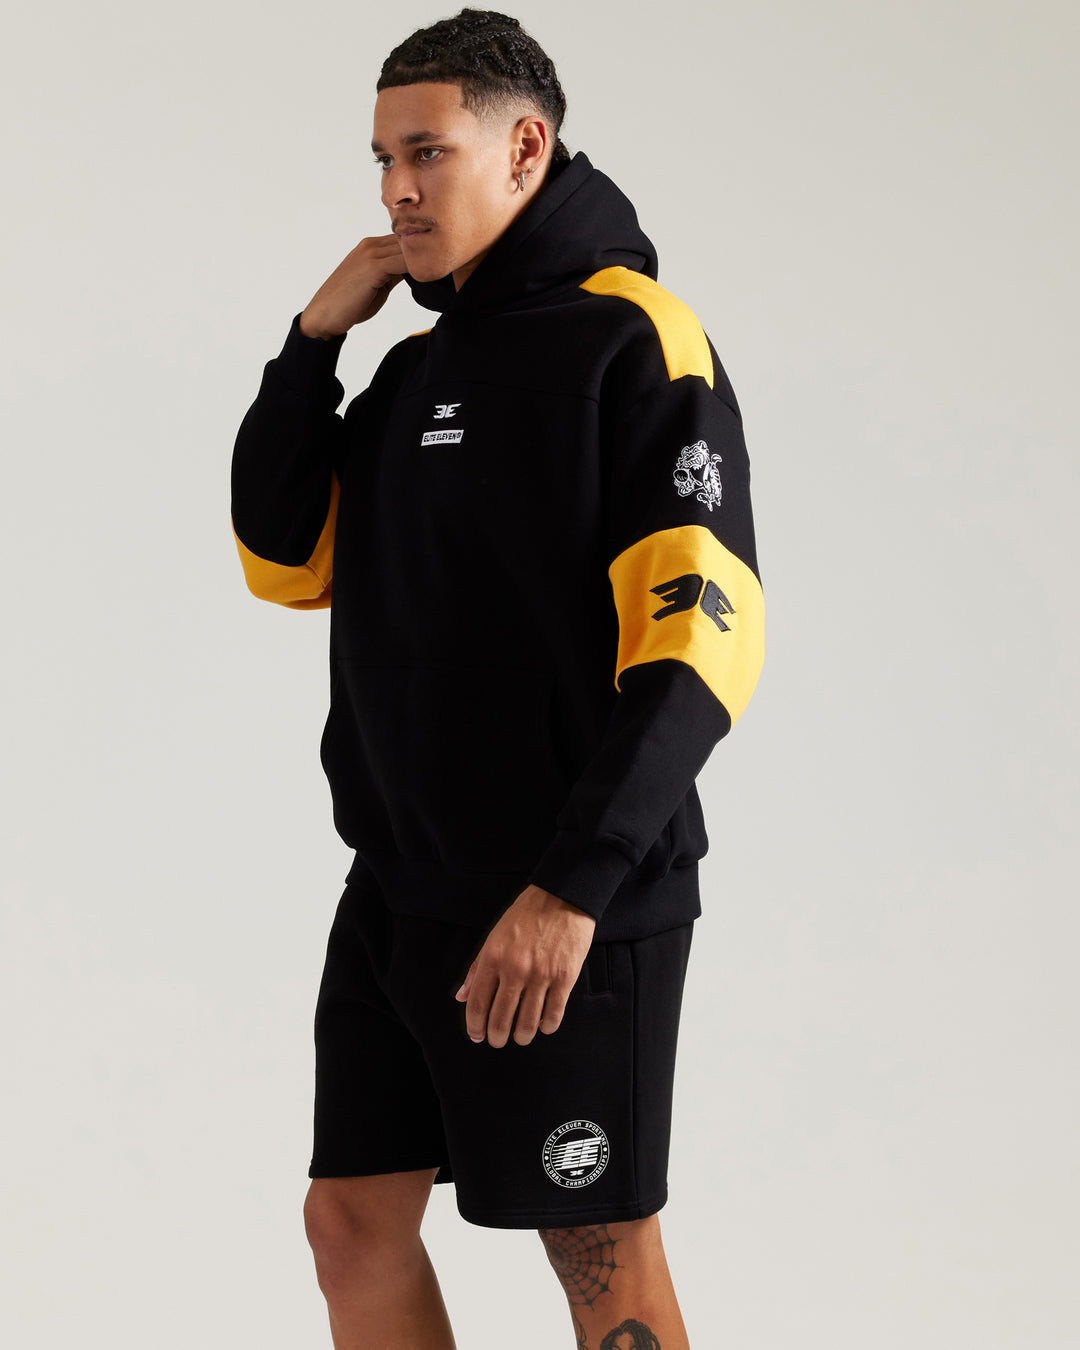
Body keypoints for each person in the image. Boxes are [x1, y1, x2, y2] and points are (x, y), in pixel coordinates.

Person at [229, 9, 764, 1348]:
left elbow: (701, 645)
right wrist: (312, 344)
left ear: (525, 148)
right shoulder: (416, 369)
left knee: (600, 1260)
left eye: (428, 153)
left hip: (566, 899)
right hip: (404, 884)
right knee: (350, 1222)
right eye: (381, 160)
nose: (396, 191)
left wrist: (572, 887)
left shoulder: (635, 344)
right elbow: (282, 560)